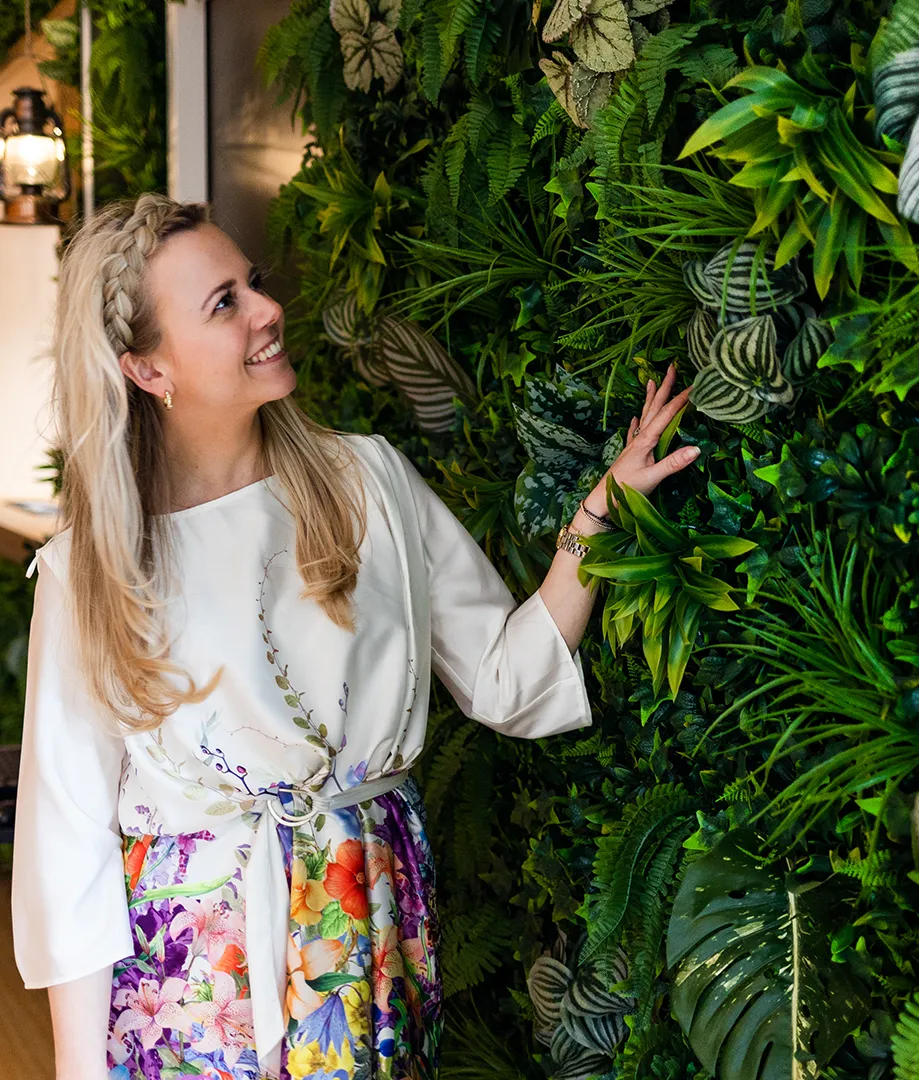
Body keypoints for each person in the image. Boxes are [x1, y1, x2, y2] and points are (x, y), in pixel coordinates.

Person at [10, 191, 699, 1080]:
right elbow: (67, 849)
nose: (268, 309)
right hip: (189, 989)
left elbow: (501, 675)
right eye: (225, 304)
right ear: (147, 370)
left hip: (366, 934)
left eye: (252, 283)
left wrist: (598, 517)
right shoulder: (95, 571)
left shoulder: (366, 481)